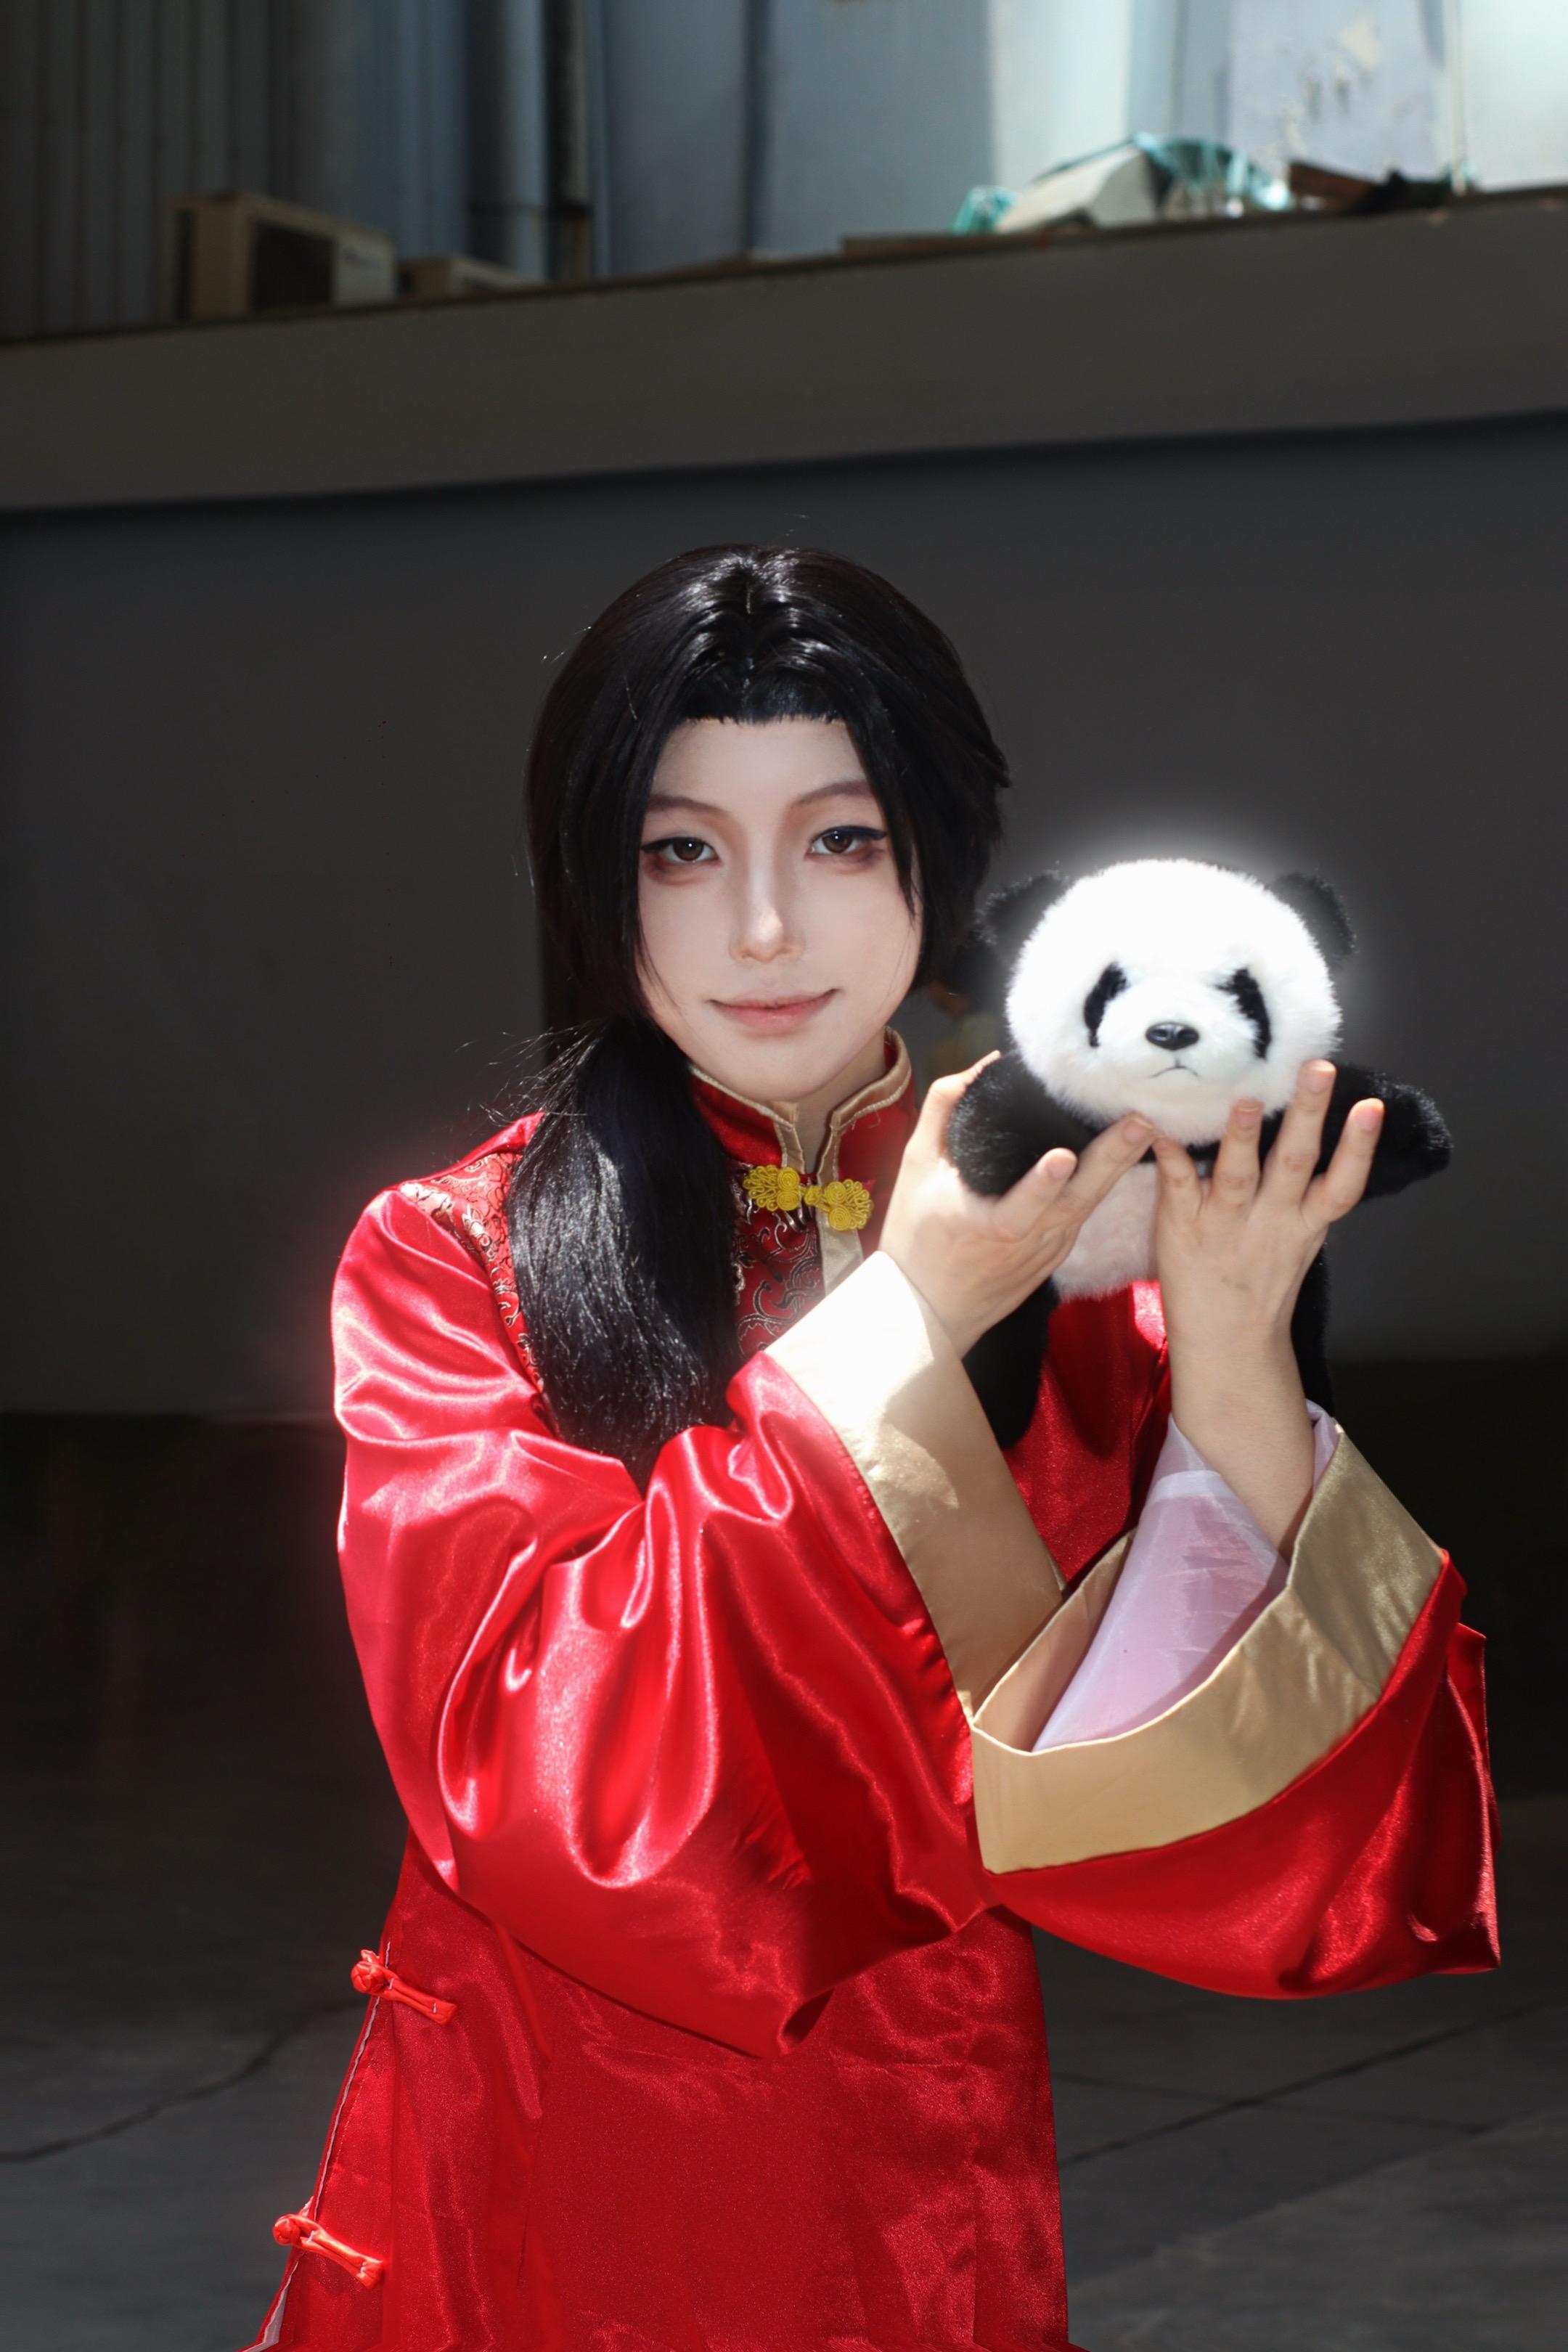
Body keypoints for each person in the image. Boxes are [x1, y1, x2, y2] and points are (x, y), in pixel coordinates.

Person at [245, 546, 1496, 2352]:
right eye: (682, 852)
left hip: (915, 2163)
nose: (765, 930)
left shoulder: (1087, 1234)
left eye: (839, 841)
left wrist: (1232, 1347)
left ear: (945, 861)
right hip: (526, 2156)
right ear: (593, 881)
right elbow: (546, 1785)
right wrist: (905, 1316)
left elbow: (1263, 1846)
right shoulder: (454, 1257)